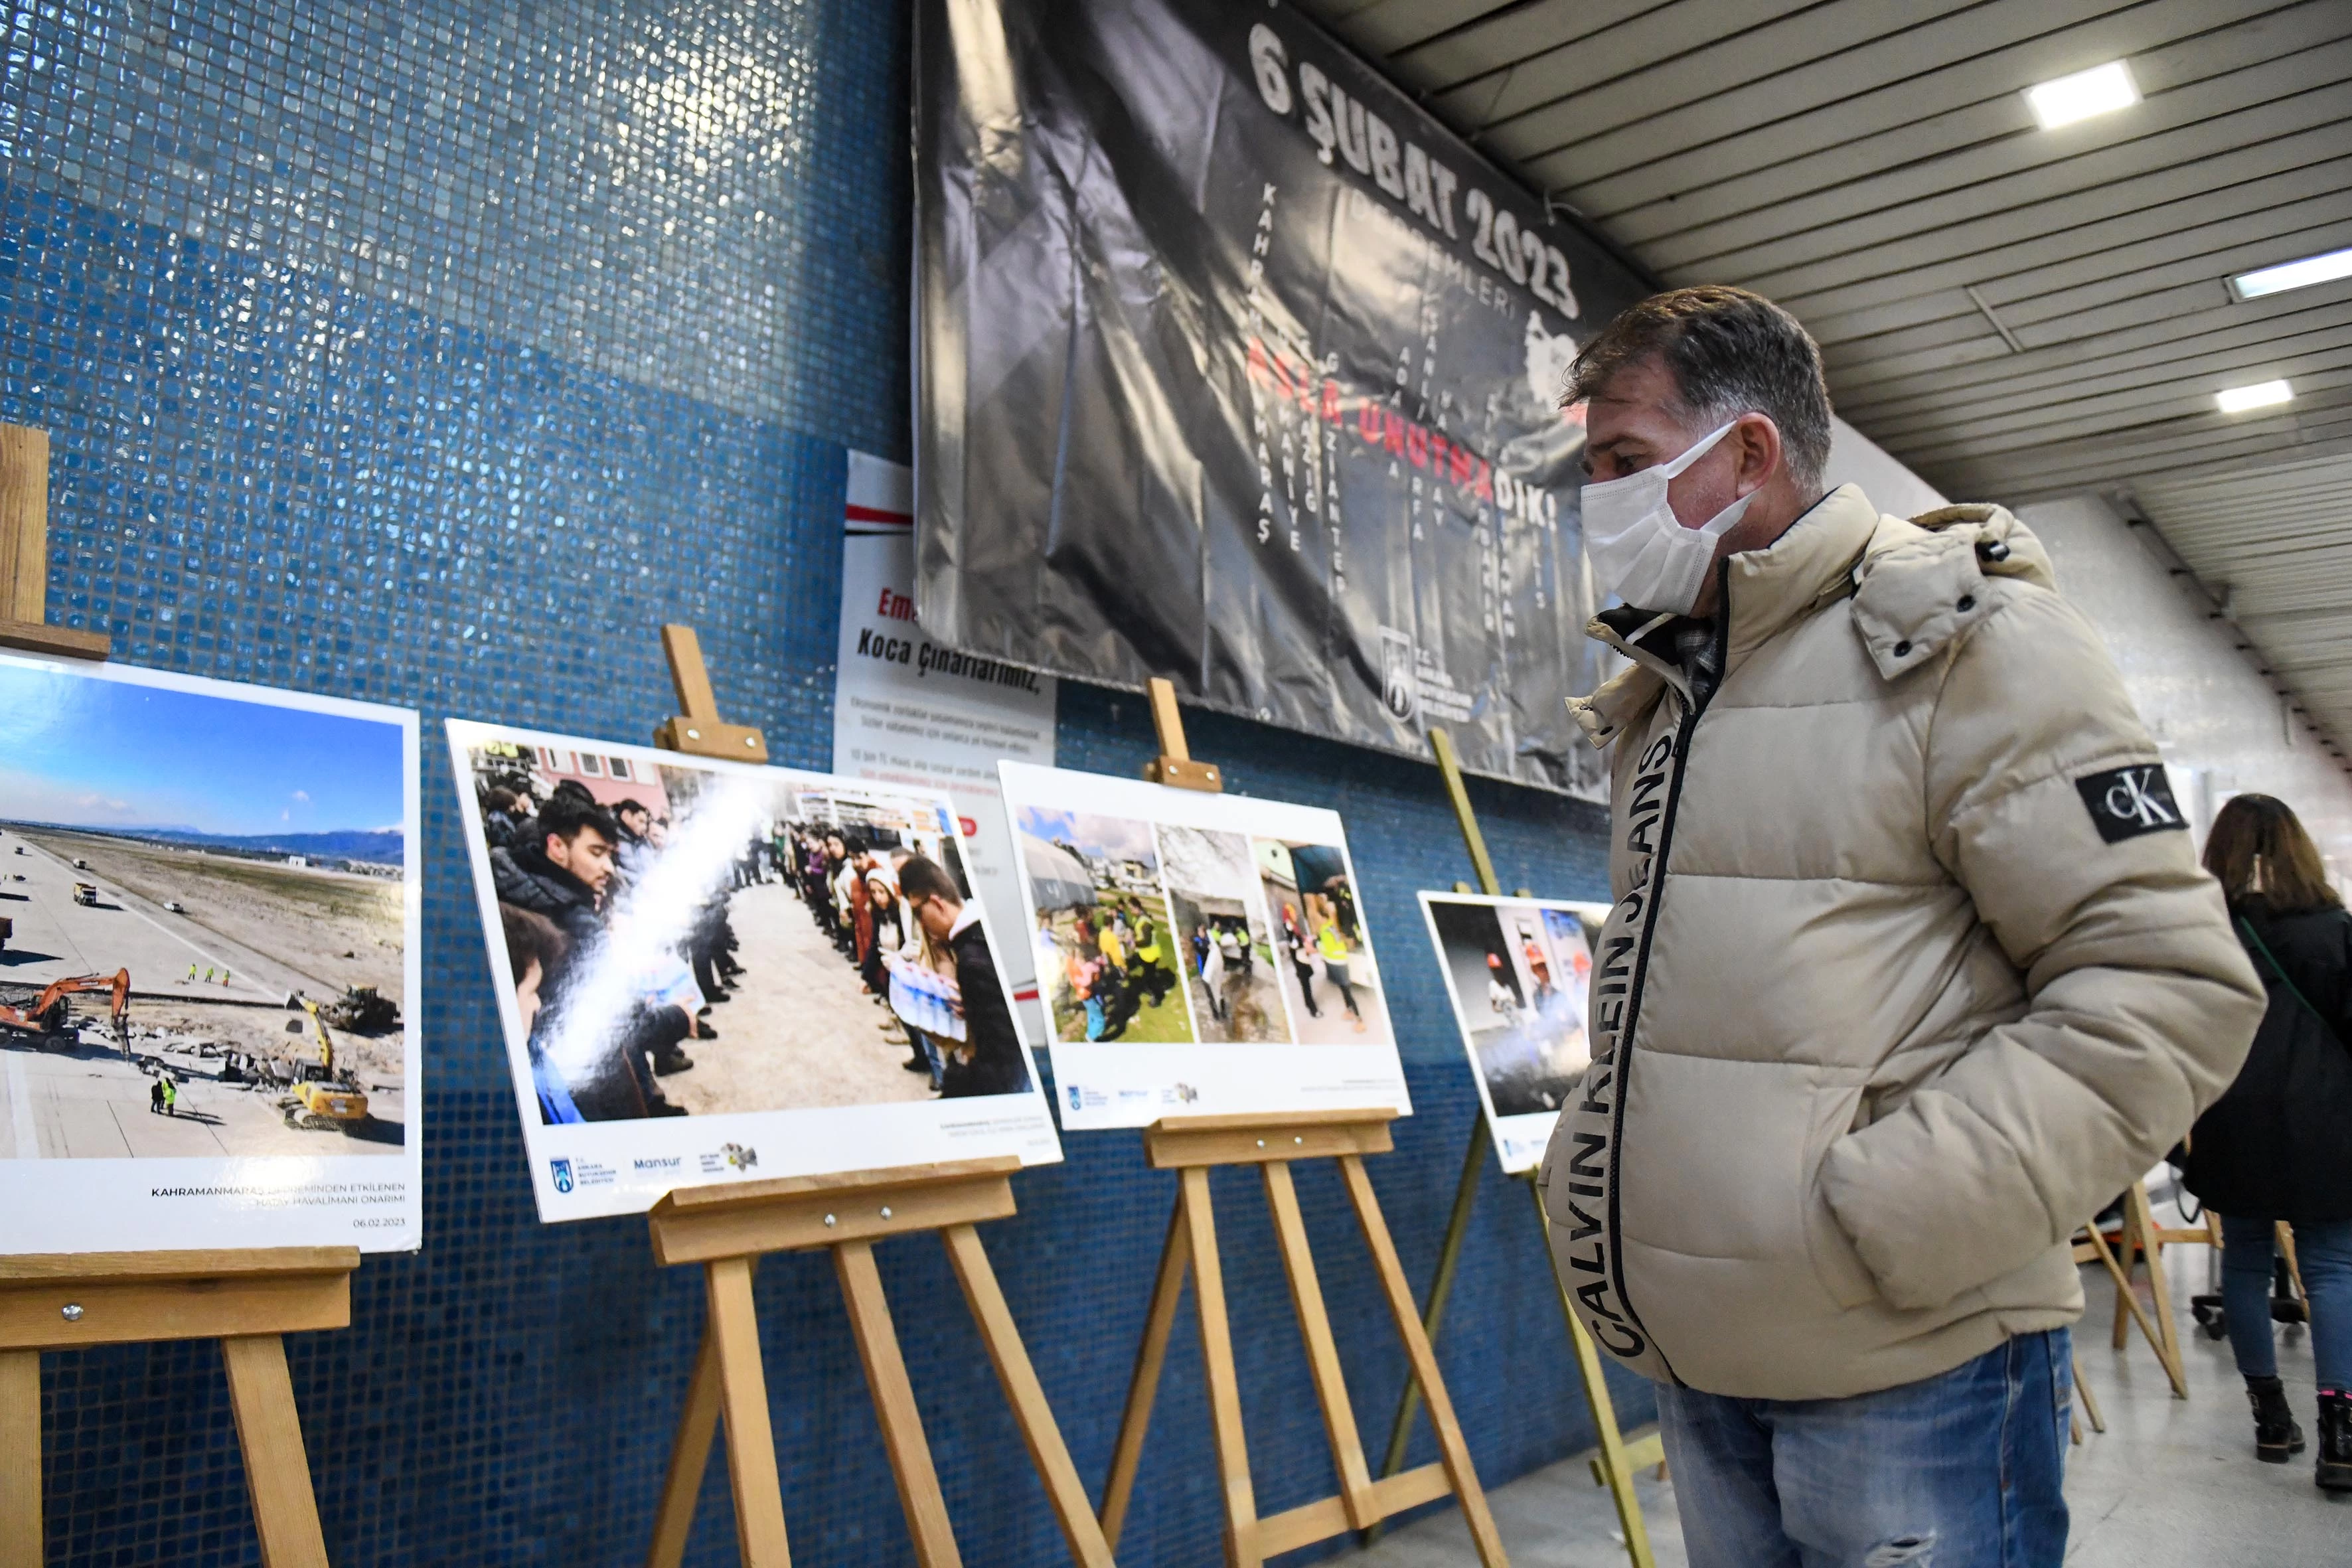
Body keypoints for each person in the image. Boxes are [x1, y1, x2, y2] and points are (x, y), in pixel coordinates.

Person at [1535, 284, 2264, 1565]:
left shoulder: (1966, 641)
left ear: (1749, 452)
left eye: (1623, 463)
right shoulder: (1667, 687)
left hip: (1908, 1370)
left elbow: (2168, 982)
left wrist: (1885, 1218)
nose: (1596, 498)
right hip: (1701, 1363)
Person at [2178, 793, 2352, 1489]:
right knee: (2335, 1267)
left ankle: (2271, 1418)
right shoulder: (2332, 929)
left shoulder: (2200, 931)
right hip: (2326, 1119)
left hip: (2229, 1117)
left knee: (2245, 1263)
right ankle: (2342, 1435)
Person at [898, 855, 1030, 1097]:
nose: (922, 925)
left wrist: (955, 1079)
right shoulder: (990, 930)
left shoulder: (972, 960)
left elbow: (1001, 1064)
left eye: (919, 914)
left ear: (938, 904)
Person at [1314, 919, 1364, 1032]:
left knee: (1347, 992)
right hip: (1339, 963)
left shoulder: (1326, 932)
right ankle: (1349, 1012)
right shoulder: (1329, 928)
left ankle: (1360, 1021)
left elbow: (1329, 949)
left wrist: (1318, 944)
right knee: (1344, 990)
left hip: (1338, 965)